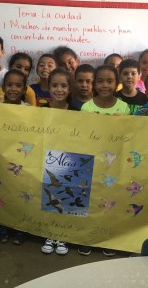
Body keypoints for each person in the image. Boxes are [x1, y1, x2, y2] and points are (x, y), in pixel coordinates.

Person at [80, 65, 130, 257]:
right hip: (92, 162)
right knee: (91, 199)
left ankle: (109, 238)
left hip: (114, 163)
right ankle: (88, 237)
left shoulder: (123, 107)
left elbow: (127, 136)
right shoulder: (87, 107)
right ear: (94, 83)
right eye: (100, 81)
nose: (104, 85)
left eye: (109, 81)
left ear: (116, 84)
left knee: (111, 201)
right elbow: (82, 135)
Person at [40, 68, 76, 255]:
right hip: (48, 160)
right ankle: (49, 233)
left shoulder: (77, 111)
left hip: (70, 161)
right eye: (55, 85)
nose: (59, 90)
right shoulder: (41, 111)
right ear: (48, 87)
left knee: (67, 196)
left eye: (63, 86)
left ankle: (63, 235)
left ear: (70, 89)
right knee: (48, 196)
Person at [0, 69, 30, 244]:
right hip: (2, 160)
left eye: (18, 85)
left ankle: (20, 228)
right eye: (9, 85)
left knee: (20, 194)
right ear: (3, 87)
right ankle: (2, 225)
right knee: (2, 192)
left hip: (23, 162)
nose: (13, 89)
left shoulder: (30, 110)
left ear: (25, 89)